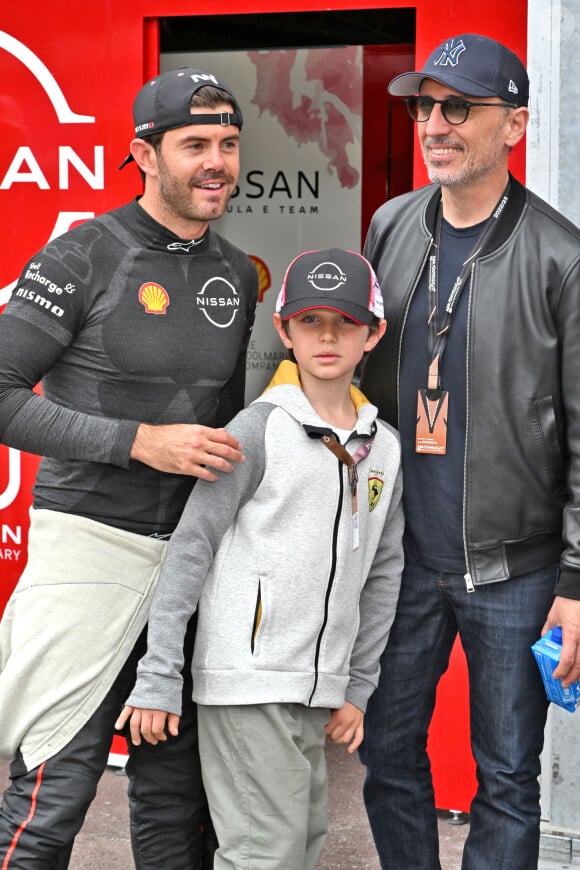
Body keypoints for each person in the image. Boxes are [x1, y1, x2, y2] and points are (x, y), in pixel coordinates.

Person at [0, 67, 258, 869]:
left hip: (190, 568)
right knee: (49, 800)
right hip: (89, 553)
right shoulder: (81, 255)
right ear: (144, 154)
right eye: (194, 145)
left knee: (179, 814)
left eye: (228, 143)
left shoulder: (238, 273)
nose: (215, 161)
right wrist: (137, 441)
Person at [357, 32, 580, 870]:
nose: (435, 124)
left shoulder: (563, 258)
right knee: (384, 756)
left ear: (514, 126)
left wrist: (576, 582)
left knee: (506, 778)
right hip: (402, 557)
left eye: (460, 107)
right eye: (425, 105)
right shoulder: (391, 224)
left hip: (512, 569)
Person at [115, 248, 405, 870]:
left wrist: (358, 683)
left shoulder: (385, 448)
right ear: (283, 329)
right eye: (310, 321)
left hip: (319, 688)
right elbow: (191, 548)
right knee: (263, 855)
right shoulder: (257, 429)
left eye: (346, 323)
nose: (327, 337)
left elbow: (383, 573)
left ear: (373, 333)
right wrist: (161, 673)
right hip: (246, 683)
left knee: (299, 848)